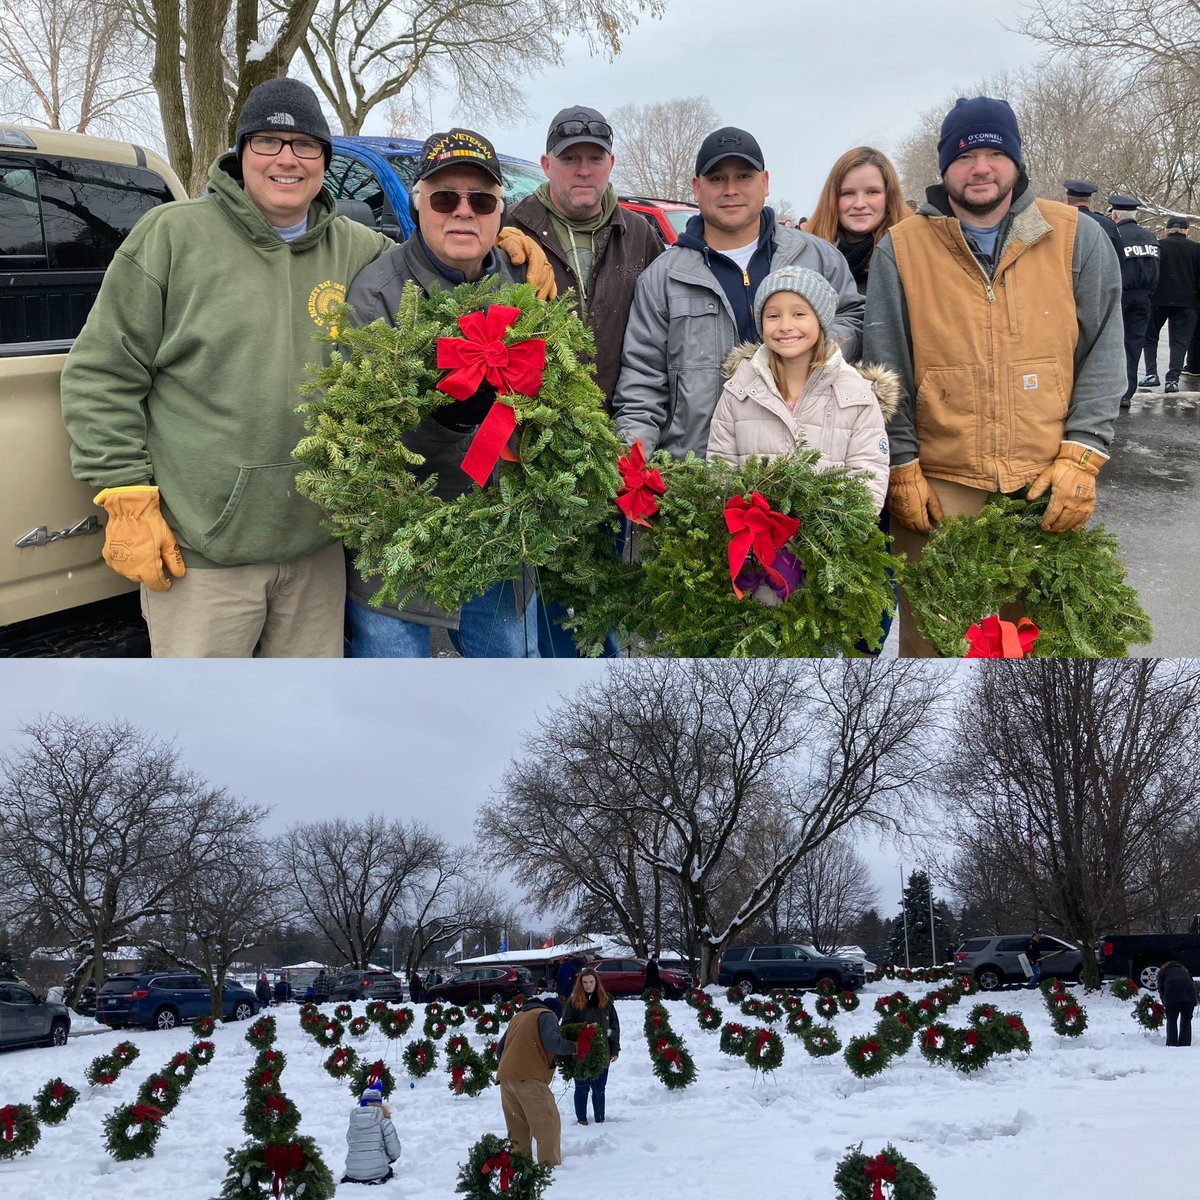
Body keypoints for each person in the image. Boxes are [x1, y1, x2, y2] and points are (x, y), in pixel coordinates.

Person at [60, 78, 392, 658]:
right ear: (241, 154)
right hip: (201, 557)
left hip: (316, 550)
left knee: (306, 727)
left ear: (324, 160)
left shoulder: (359, 249)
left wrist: (510, 243)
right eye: (268, 141)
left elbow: (441, 272)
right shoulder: (172, 236)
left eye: (305, 144)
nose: (287, 158)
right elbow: (103, 373)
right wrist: (125, 493)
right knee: (201, 734)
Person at [863, 95, 1125, 657]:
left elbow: (1105, 352)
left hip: (1044, 480)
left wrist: (1082, 456)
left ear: (1016, 161)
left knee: (1040, 652)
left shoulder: (1077, 237)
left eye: (992, 152)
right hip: (940, 482)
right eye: (963, 155)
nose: (979, 166)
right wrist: (902, 467)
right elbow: (886, 365)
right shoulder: (901, 249)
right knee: (931, 649)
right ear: (944, 169)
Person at [343, 129, 555, 658]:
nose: (464, 212)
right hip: (400, 554)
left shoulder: (524, 287)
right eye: (445, 198)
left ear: (500, 213)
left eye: (481, 200)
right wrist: (450, 420)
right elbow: (362, 434)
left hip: (498, 543)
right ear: (419, 205)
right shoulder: (377, 291)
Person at [508, 104, 663, 658]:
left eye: (593, 158)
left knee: (603, 586)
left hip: (613, 442)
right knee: (544, 589)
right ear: (547, 163)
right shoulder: (511, 228)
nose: (582, 170)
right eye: (570, 159)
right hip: (535, 445)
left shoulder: (640, 235)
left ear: (610, 163)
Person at [613, 126, 864, 459]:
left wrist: (809, 352)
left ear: (765, 183)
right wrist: (633, 470)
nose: (731, 190)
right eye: (717, 179)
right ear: (696, 188)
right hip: (698, 481)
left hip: (805, 474)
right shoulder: (662, 279)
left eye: (744, 176)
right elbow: (642, 385)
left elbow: (854, 318)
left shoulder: (816, 258)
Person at [707, 268, 893, 518]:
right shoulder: (739, 389)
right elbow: (721, 468)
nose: (785, 326)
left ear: (820, 320)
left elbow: (868, 475)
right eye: (773, 316)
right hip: (754, 546)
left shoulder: (856, 394)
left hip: (827, 547)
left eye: (799, 314)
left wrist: (834, 535)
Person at [805, 147, 909, 295]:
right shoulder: (805, 258)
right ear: (832, 198)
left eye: (872, 192)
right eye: (848, 193)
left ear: (889, 197)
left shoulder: (910, 256)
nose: (859, 204)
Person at [496, 995, 581, 1165]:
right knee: (548, 1124)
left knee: (518, 1129)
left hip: (506, 1079)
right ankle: (549, 1169)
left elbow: (500, 1050)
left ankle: (520, 1168)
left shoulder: (518, 1017)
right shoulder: (546, 1015)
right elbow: (553, 1042)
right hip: (529, 1078)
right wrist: (576, 1047)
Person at [1108, 194, 1161, 408]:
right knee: (1133, 344)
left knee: (1112, 345)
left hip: (1121, 295)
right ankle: (1126, 393)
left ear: (1115, 216)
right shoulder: (1151, 238)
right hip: (1145, 297)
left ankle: (1112, 390)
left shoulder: (1116, 236)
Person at [1140, 216, 1200, 393]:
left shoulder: (1157, 247)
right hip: (1188, 302)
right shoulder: (1197, 249)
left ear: (1166, 230)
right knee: (1179, 342)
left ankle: (1151, 374)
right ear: (1187, 231)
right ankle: (1172, 379)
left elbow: (1148, 272)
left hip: (1157, 299)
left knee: (1150, 338)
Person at [562, 966, 620, 1125]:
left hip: (602, 1053)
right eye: (585, 982)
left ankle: (600, 1119)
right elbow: (565, 1026)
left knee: (599, 1089)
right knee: (582, 1088)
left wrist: (614, 1048)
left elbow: (613, 1027)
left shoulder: (605, 1001)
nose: (588, 985)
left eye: (591, 981)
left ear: (597, 982)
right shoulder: (573, 1002)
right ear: (580, 983)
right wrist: (582, 1029)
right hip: (580, 1053)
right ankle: (582, 1121)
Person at [341, 1084, 402, 1185]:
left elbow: (350, 1141)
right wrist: (391, 1158)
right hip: (378, 1172)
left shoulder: (353, 1123)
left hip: (353, 1172)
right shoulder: (384, 1122)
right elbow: (394, 1149)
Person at [1063, 180, 1122, 258]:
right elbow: (1118, 256)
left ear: (1068, 200)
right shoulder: (1107, 224)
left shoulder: (1061, 222)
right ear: (1090, 201)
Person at [1158, 960, 1196, 1047]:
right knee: (1186, 1020)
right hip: (1189, 998)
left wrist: (1165, 1002)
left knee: (1172, 1020)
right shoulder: (1184, 971)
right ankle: (1185, 1044)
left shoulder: (1163, 971)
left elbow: (1160, 988)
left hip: (1172, 997)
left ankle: (1171, 1043)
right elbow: (1191, 985)